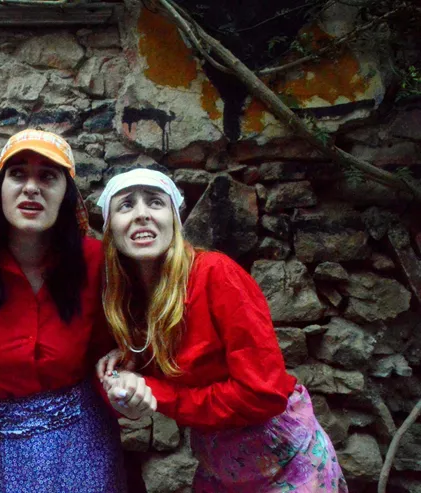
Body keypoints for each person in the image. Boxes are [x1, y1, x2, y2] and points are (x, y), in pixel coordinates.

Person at [95, 168, 348, 492]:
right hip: (221, 464)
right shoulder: (128, 299)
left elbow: (263, 393)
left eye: (156, 202)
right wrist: (124, 373)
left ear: (174, 220)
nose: (142, 214)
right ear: (110, 228)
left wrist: (157, 392)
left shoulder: (216, 274)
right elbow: (158, 373)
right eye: (126, 205)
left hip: (285, 459)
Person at [0, 129, 126, 492]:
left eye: (48, 176)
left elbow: (112, 345)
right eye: (18, 174)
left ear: (67, 194)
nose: (31, 188)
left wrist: (121, 363)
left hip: (82, 439)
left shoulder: (95, 262)